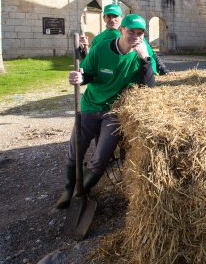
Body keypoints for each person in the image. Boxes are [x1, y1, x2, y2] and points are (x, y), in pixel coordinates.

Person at [55, 14, 156, 209]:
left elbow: (150, 87)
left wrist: (145, 59)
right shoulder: (101, 49)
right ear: (121, 30)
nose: (135, 36)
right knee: (75, 152)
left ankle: (80, 192)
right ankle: (69, 188)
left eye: (140, 33)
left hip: (115, 112)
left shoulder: (142, 52)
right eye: (131, 32)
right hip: (90, 106)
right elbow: (88, 74)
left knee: (100, 159)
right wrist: (79, 78)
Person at [79, 3, 170, 75]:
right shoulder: (98, 39)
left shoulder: (134, 34)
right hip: (111, 79)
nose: (112, 19)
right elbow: (90, 61)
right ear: (104, 18)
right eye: (109, 16)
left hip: (138, 76)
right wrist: (84, 49)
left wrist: (163, 70)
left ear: (121, 18)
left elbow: (150, 53)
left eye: (115, 16)